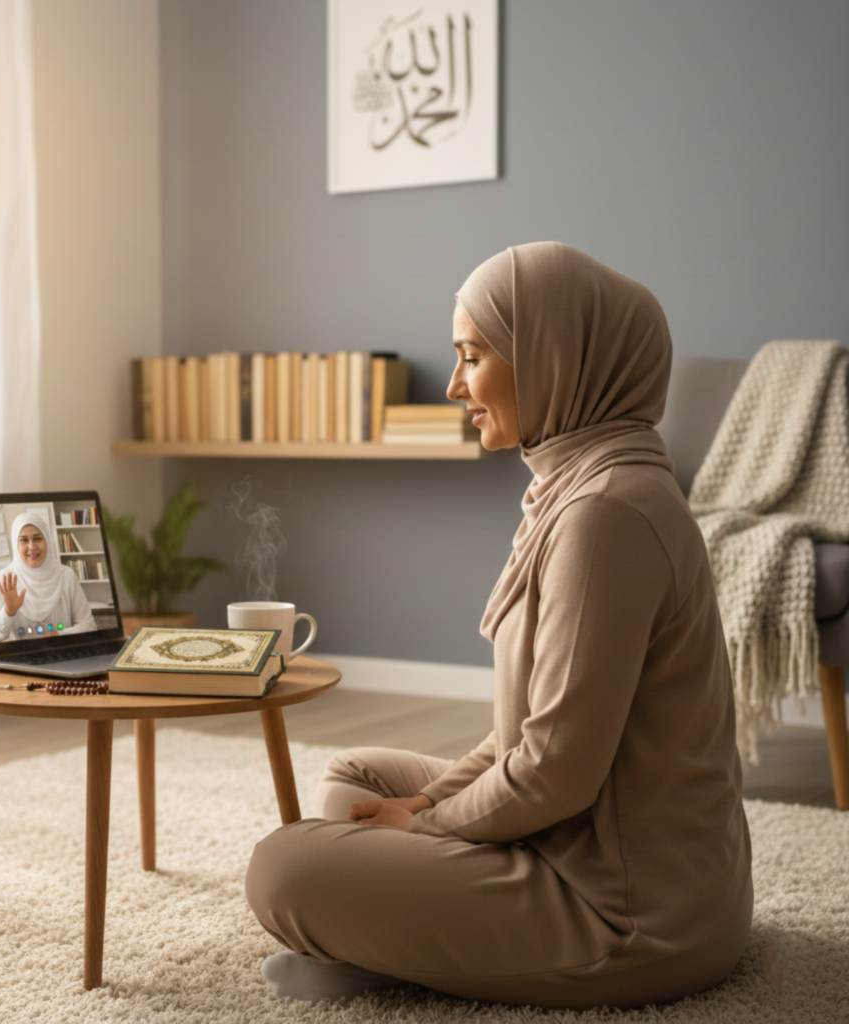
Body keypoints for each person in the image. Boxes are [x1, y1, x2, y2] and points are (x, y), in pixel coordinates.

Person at [244, 242, 753, 1009]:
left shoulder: (605, 515)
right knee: (359, 780)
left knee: (282, 868)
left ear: (554, 356)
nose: (455, 385)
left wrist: (421, 834)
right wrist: (420, 808)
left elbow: (553, 769)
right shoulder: (585, 485)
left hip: (625, 913)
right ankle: (405, 934)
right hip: (592, 845)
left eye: (473, 356)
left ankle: (399, 944)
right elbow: (528, 734)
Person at [0, 513, 97, 642]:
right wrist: (8, 612)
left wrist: (59, 635)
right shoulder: (6, 579)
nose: (32, 546)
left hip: (62, 654)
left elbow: (89, 626)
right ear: (16, 545)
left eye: (37, 538)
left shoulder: (67, 576)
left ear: (47, 540)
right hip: (19, 659)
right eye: (24, 540)